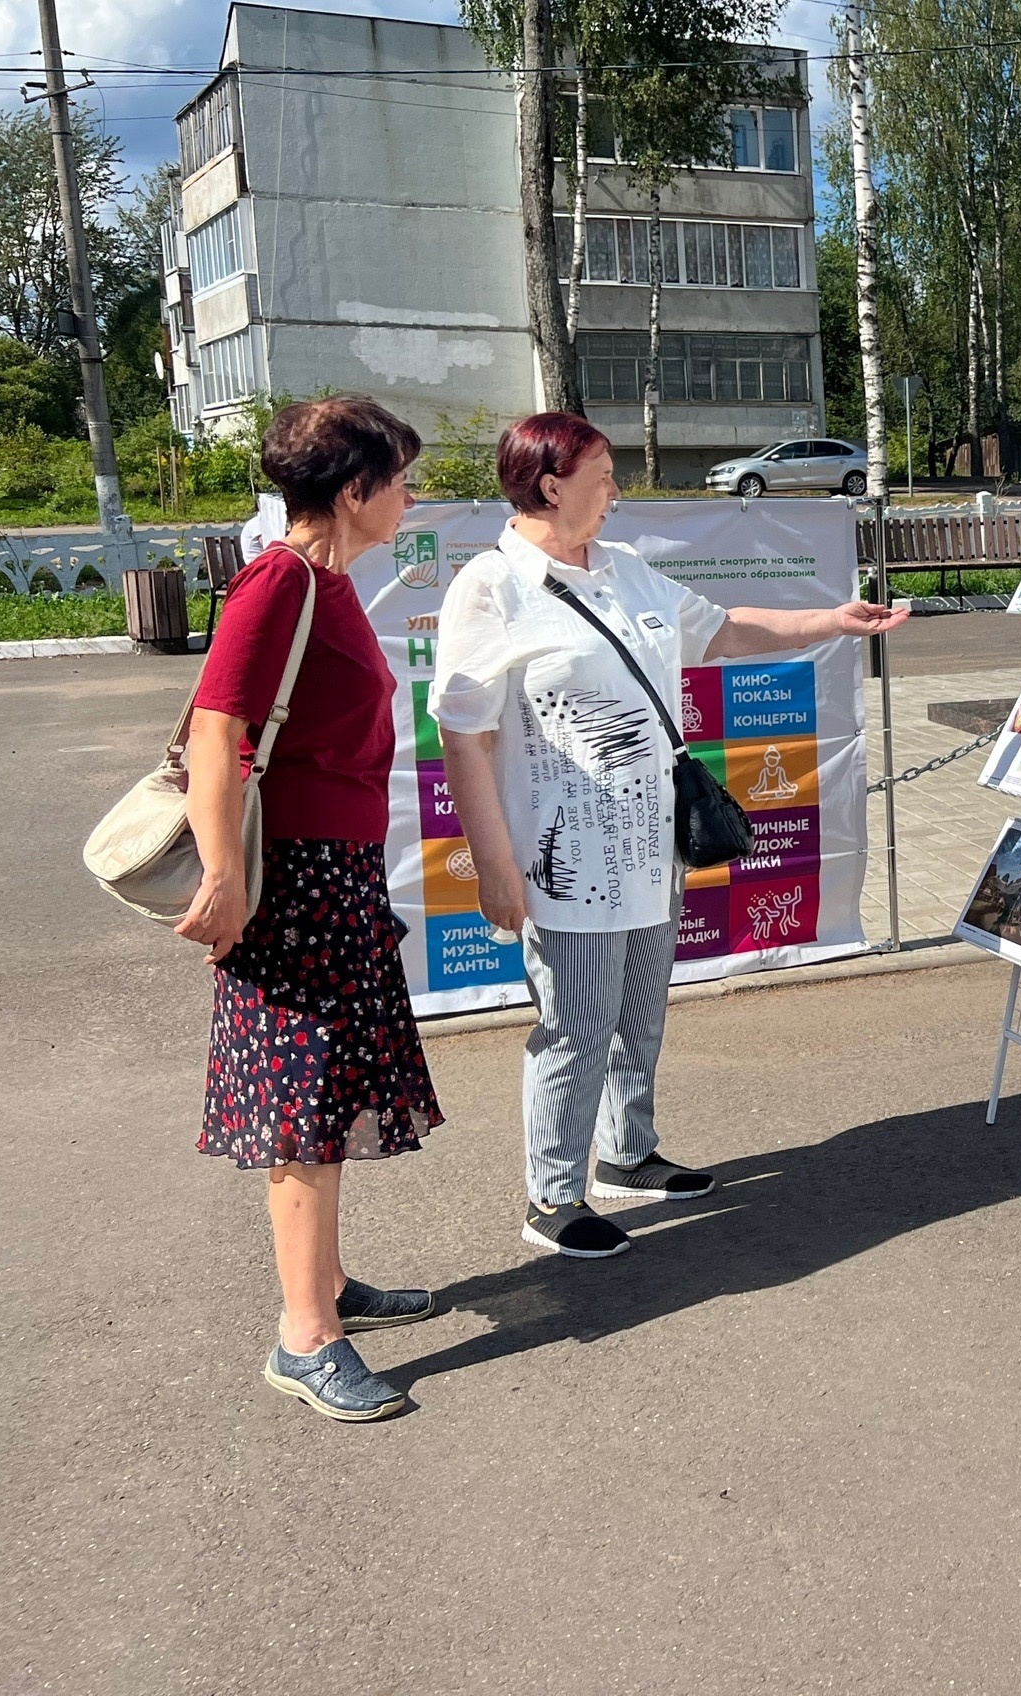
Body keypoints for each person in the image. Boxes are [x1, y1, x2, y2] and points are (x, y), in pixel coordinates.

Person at [431, 413, 906, 1260]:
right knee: (574, 1025)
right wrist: (496, 866)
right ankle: (551, 1194)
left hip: (653, 848)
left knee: (639, 1014)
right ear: (551, 484)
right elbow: (465, 735)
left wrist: (832, 621)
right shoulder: (491, 586)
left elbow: (723, 632)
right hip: (565, 861)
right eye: (604, 475)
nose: (616, 492)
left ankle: (627, 1152)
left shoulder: (625, 572)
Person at [179, 396, 444, 1423]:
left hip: (330, 877)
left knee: (326, 1100)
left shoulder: (324, 584)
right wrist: (226, 879)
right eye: (401, 479)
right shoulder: (281, 580)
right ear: (354, 491)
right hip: (286, 883)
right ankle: (304, 1337)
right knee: (300, 1107)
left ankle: (325, 1286)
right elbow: (215, 728)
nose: (410, 497)